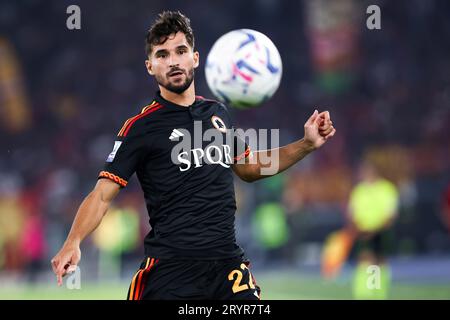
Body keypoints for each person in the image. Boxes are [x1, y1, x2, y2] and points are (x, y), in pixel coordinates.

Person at [51, 11, 336, 300]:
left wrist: (306, 144)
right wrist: (73, 240)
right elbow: (101, 195)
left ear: (195, 58)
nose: (173, 61)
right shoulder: (140, 128)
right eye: (162, 55)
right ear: (150, 66)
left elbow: (249, 167)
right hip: (171, 273)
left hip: (228, 269)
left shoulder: (218, 114)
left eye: (181, 51)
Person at [347, 160, 399, 299]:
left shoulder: (386, 188)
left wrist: (376, 230)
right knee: (365, 259)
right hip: (363, 232)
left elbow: (391, 215)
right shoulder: (359, 190)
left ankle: (379, 292)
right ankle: (364, 293)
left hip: (380, 232)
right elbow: (352, 213)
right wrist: (358, 229)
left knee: (379, 261)